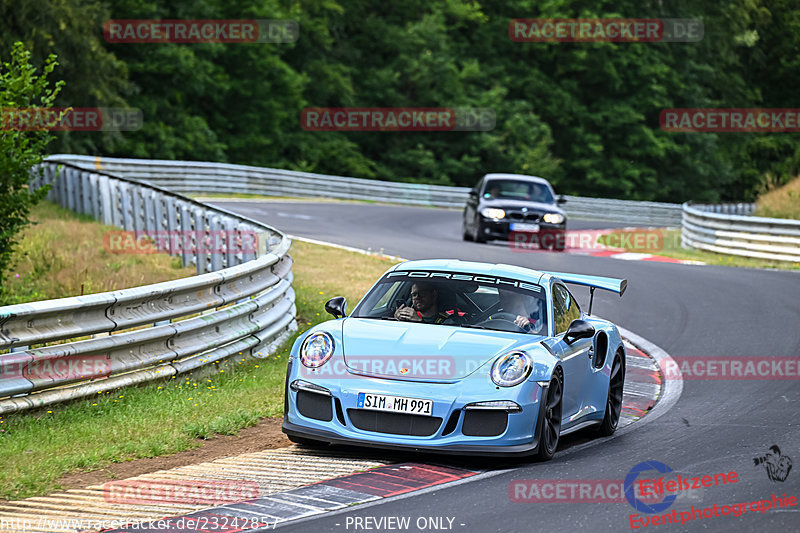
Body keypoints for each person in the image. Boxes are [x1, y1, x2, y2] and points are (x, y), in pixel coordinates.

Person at [394, 282, 463, 324]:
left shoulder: (449, 322)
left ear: (434, 294)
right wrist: (396, 321)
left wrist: (419, 322)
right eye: (414, 295)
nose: (417, 297)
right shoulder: (407, 317)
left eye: (422, 293)